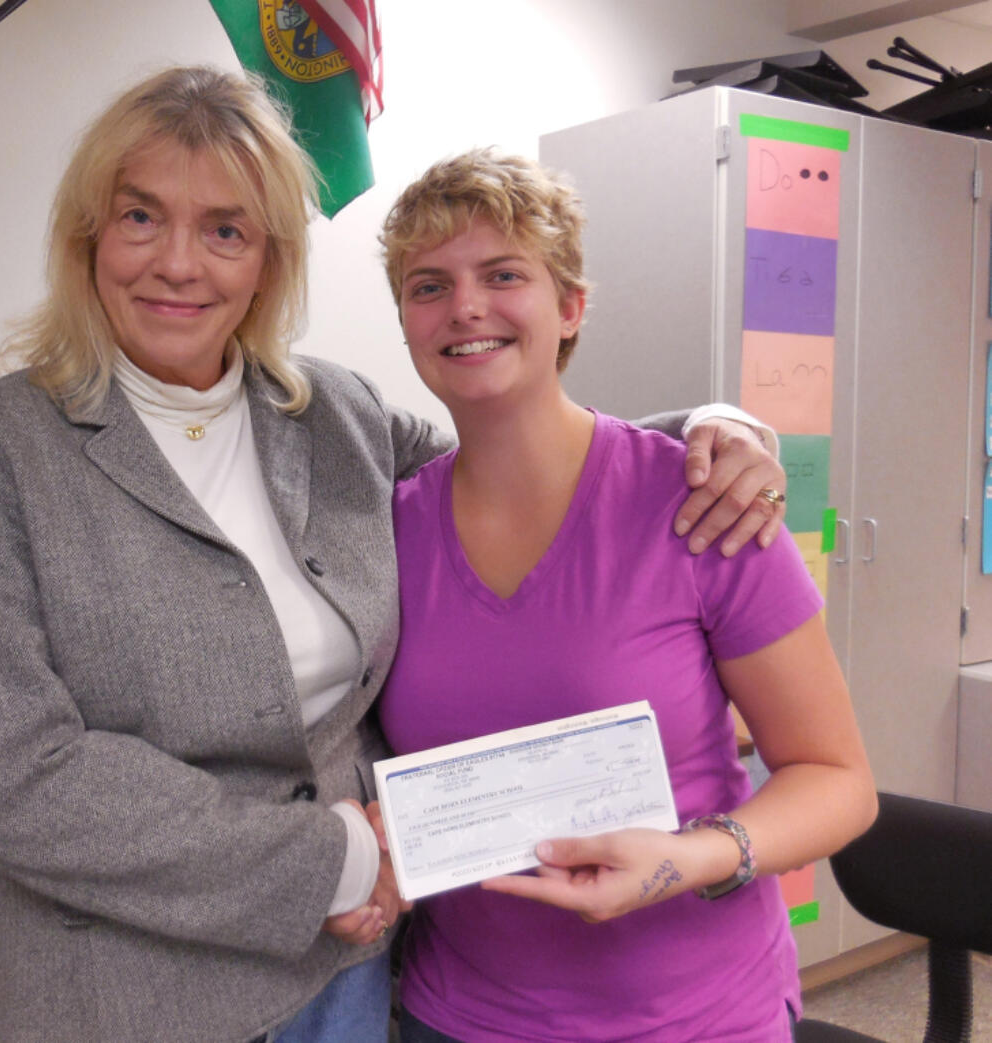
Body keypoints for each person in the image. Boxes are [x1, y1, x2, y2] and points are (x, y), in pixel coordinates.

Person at [0, 67, 787, 1043]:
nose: (179, 264)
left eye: (225, 230)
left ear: (268, 259)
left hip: (339, 977)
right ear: (86, 237)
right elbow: (16, 774)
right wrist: (327, 859)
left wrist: (706, 430)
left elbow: (510, 463)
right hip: (111, 987)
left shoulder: (333, 414)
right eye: (140, 217)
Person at [375, 150, 878, 1043]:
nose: (466, 308)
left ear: (570, 305)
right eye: (428, 285)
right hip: (456, 1015)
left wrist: (691, 859)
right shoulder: (386, 531)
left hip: (692, 1017)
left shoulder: (702, 500)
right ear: (407, 322)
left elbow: (838, 780)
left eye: (503, 274)